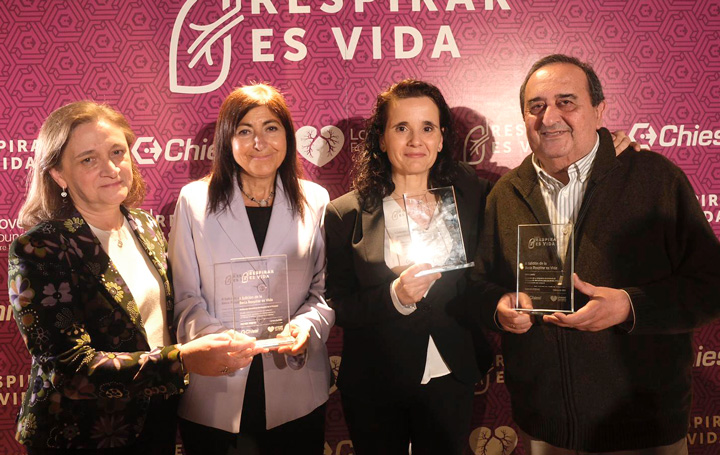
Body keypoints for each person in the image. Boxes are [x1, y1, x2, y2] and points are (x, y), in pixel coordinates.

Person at [473, 54, 720, 454]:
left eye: (566, 101)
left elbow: (711, 285)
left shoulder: (655, 178)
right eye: (536, 106)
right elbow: (479, 283)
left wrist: (629, 306)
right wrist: (498, 306)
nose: (549, 116)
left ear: (599, 110)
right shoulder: (506, 193)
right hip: (548, 430)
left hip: (646, 430)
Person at [8, 101, 257, 454]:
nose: (110, 168)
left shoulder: (144, 225)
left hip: (156, 422)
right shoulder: (40, 248)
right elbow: (70, 368)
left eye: (117, 152)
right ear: (59, 175)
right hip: (79, 434)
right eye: (88, 160)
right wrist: (183, 359)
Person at [324, 79, 494, 455]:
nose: (416, 141)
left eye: (427, 128)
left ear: (441, 138)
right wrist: (394, 297)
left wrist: (604, 146)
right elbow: (337, 304)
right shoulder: (346, 213)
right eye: (402, 128)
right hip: (375, 381)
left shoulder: (472, 194)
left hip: (451, 370)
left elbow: (534, 180)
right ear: (382, 139)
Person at [169, 83, 334, 455]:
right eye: (245, 130)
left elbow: (324, 291)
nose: (259, 142)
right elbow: (184, 297)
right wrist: (219, 342)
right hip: (217, 382)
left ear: (288, 137)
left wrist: (305, 326)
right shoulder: (194, 201)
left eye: (271, 128)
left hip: (296, 380)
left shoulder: (316, 200)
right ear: (227, 140)